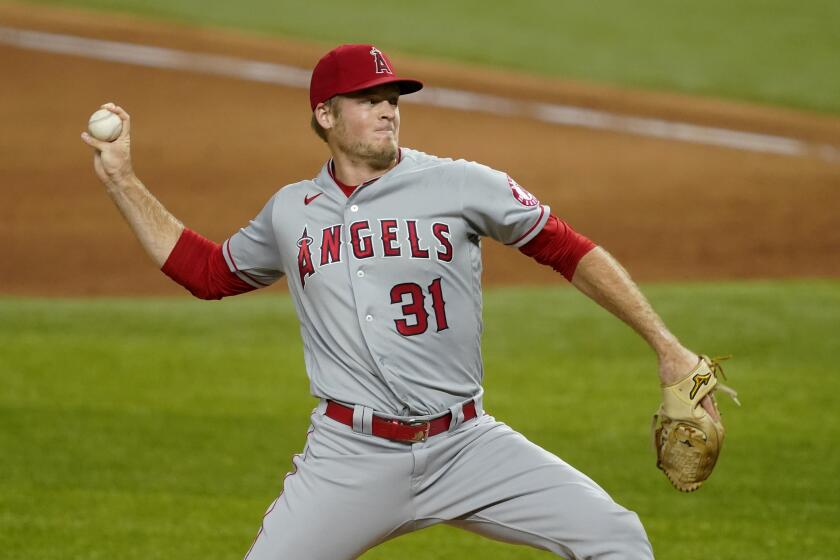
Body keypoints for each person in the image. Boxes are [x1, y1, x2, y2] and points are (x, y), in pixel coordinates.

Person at [82, 44, 720, 560]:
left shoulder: (461, 183)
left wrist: (666, 346)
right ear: (326, 116)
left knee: (617, 539)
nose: (388, 110)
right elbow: (208, 272)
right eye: (369, 100)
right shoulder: (290, 212)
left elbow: (568, 249)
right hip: (350, 458)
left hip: (467, 444)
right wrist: (122, 181)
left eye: (392, 99)